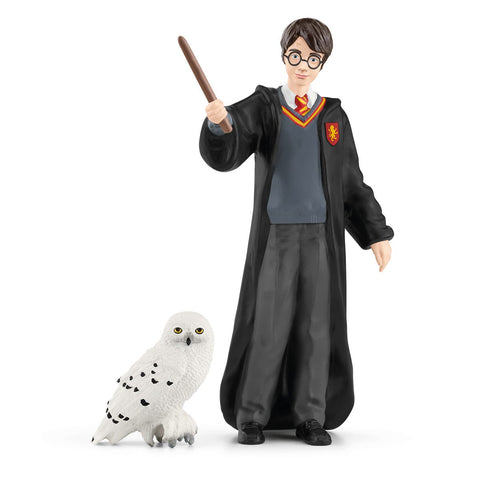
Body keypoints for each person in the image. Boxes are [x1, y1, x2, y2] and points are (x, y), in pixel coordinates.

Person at [199, 18, 394, 446]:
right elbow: (232, 141)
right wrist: (218, 124)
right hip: (277, 239)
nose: (303, 65)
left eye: (313, 58)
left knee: (316, 328)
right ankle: (252, 414)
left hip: (321, 239)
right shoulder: (265, 106)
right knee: (268, 324)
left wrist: (376, 232)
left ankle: (311, 415)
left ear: (322, 62)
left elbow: (350, 181)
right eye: (295, 55)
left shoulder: (332, 116)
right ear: (284, 55)